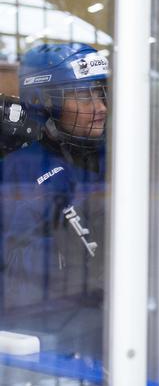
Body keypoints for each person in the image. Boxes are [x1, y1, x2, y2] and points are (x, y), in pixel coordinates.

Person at [0, 43, 108, 357]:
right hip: (49, 339)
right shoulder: (21, 171)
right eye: (83, 95)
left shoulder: (117, 157)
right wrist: (67, 251)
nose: (99, 107)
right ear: (43, 101)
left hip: (111, 327)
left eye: (100, 93)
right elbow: (13, 273)